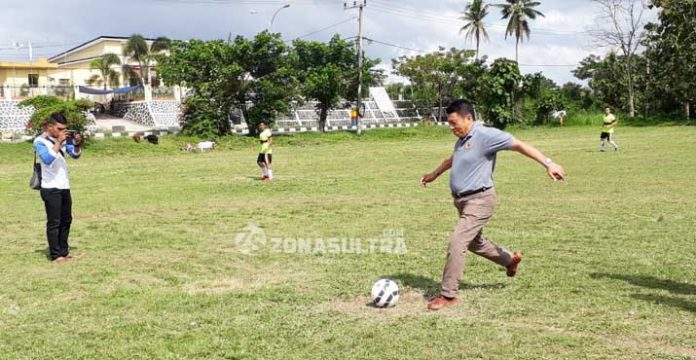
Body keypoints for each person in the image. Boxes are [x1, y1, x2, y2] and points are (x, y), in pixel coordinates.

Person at [420, 99, 566, 311]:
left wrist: (549, 163)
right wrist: (434, 174)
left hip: (480, 199)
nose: (451, 128)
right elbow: (453, 159)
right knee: (474, 243)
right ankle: (508, 260)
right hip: (461, 201)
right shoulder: (462, 138)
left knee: (457, 241)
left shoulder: (486, 135)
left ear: (468, 118)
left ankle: (448, 295)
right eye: (449, 124)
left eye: (454, 123)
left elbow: (519, 144)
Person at [33, 113, 83, 263]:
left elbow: (74, 155)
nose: (63, 132)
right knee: (54, 222)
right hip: (50, 187)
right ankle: (55, 255)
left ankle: (64, 251)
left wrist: (77, 144)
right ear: (50, 127)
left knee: (66, 220)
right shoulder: (40, 141)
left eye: (65, 129)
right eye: (60, 128)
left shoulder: (62, 139)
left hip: (64, 185)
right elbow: (47, 160)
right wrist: (58, 143)